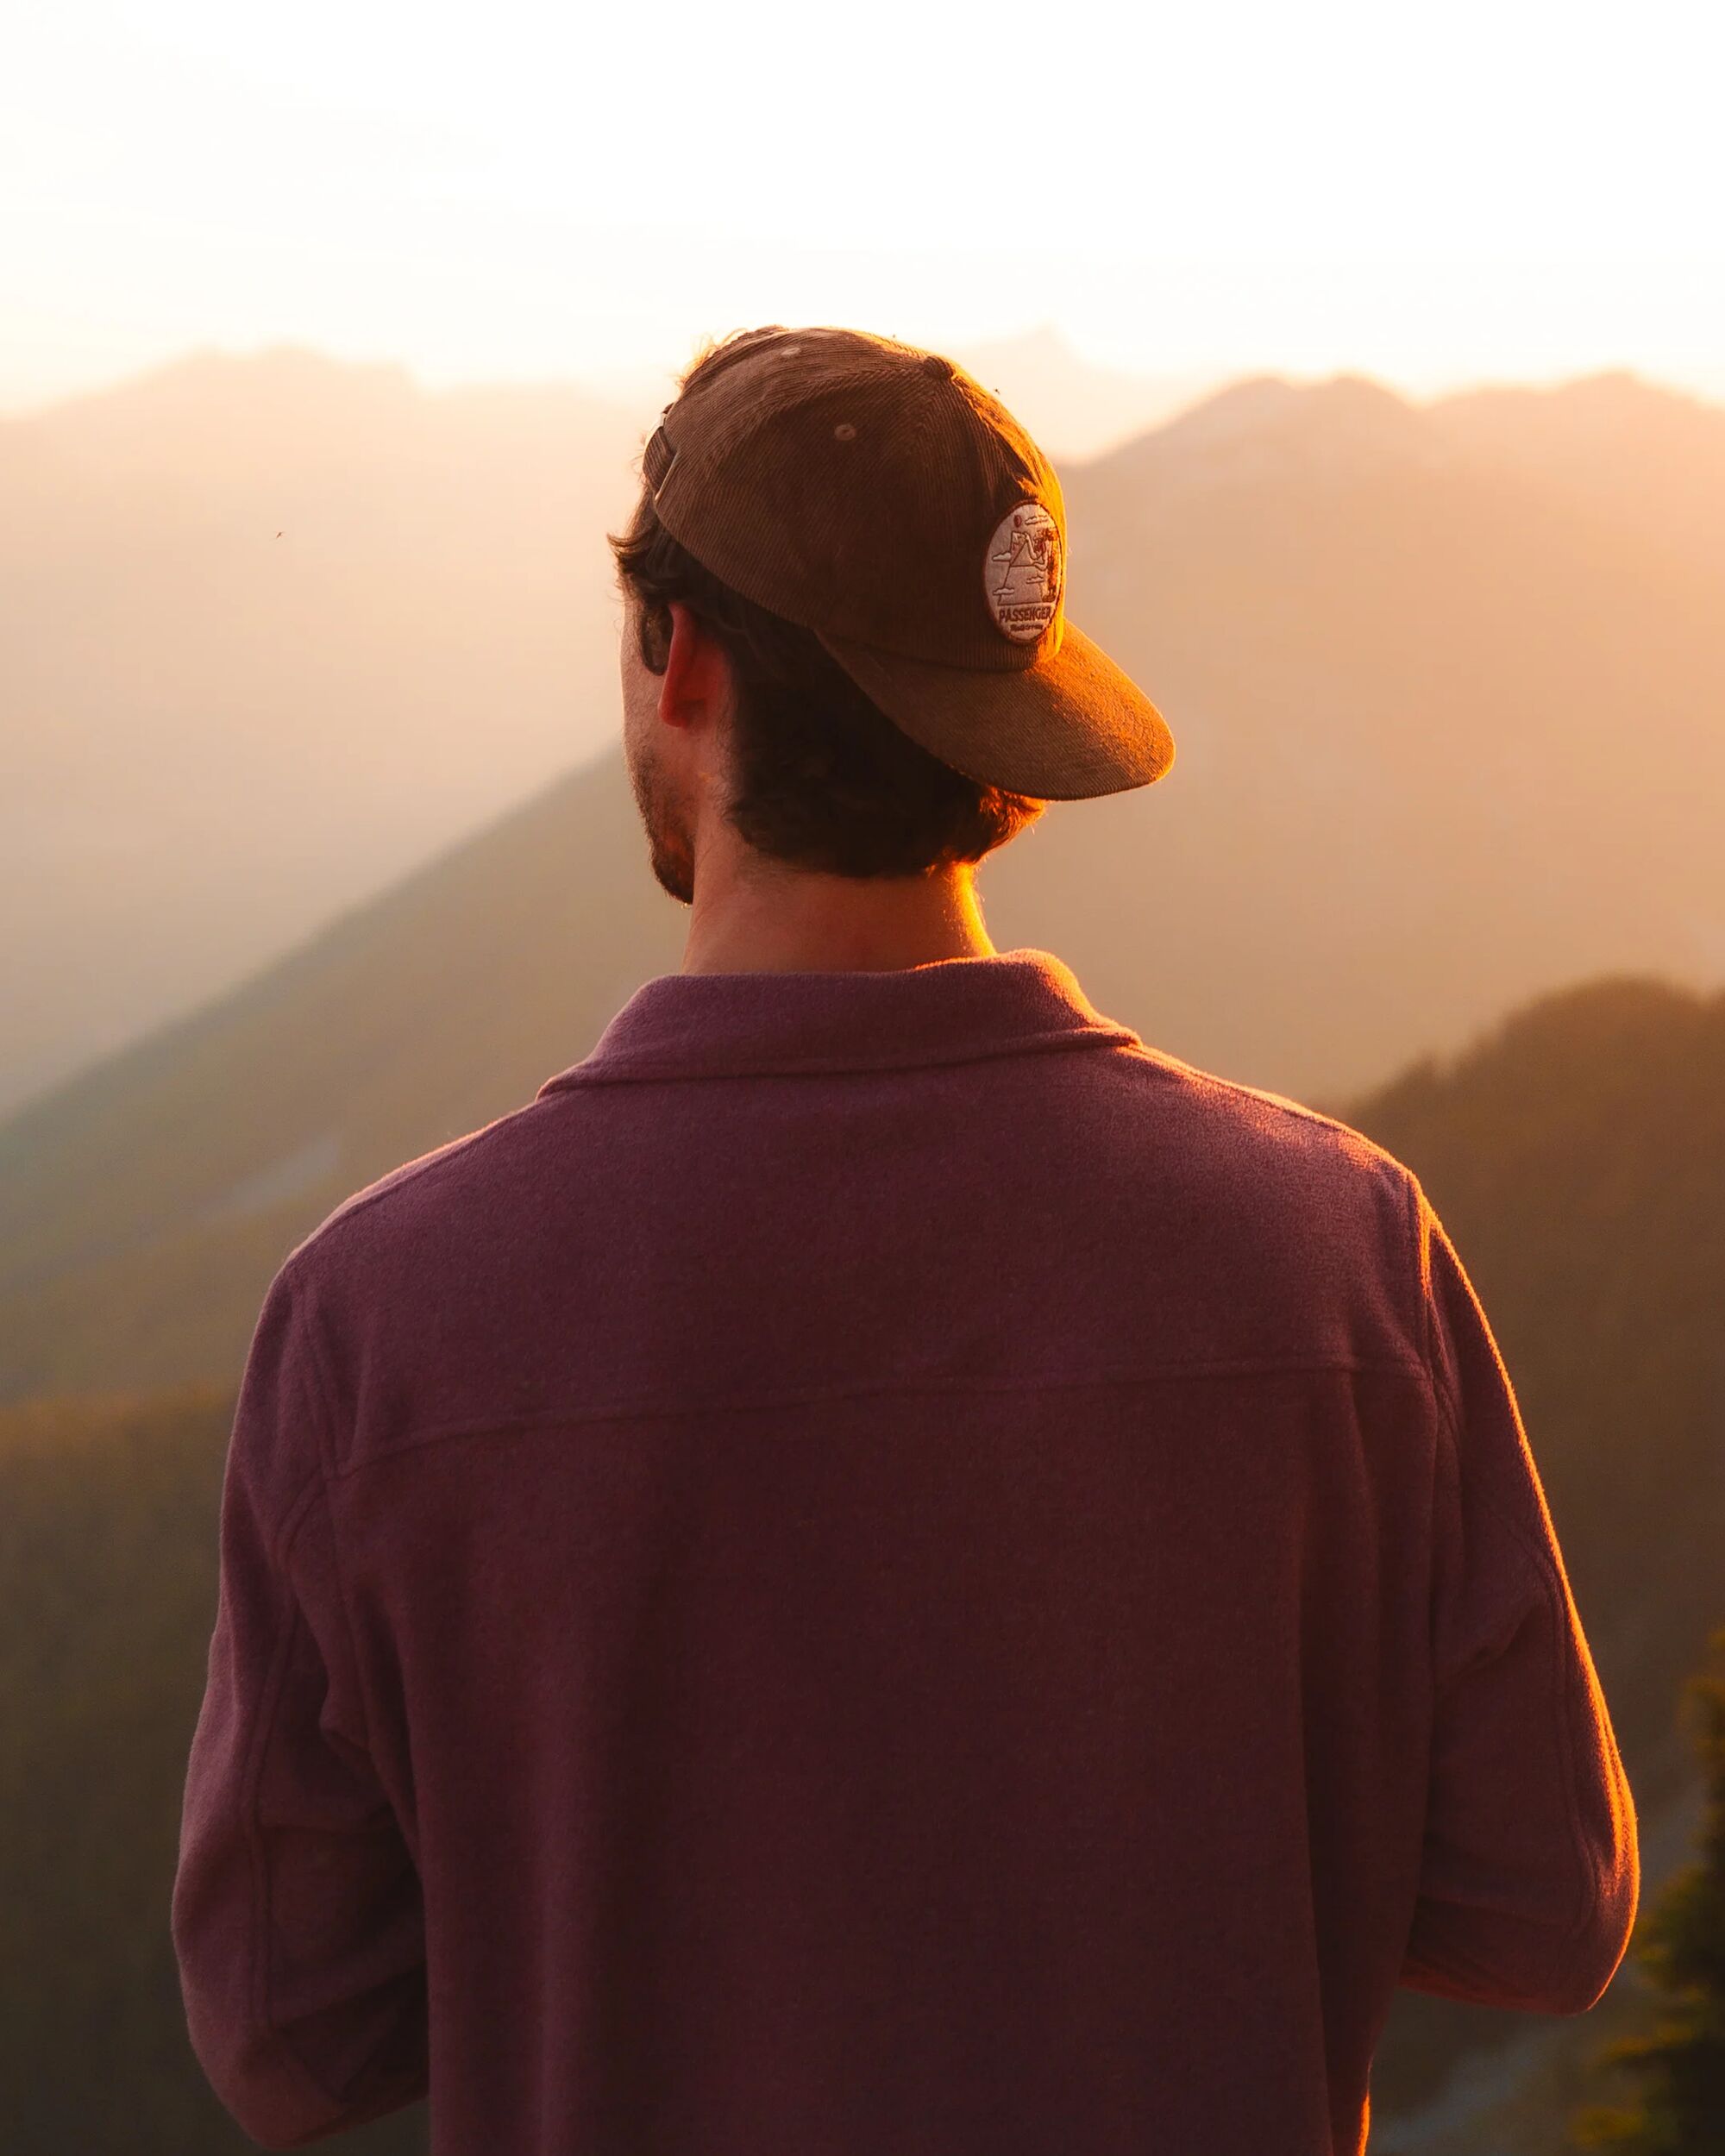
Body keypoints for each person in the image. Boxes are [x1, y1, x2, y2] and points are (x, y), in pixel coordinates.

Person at [172, 323, 1639, 2156]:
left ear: (675, 657)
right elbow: (1540, 1906)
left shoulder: (379, 1322)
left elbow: (290, 2037)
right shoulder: (1337, 1256)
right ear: (1005, 722)